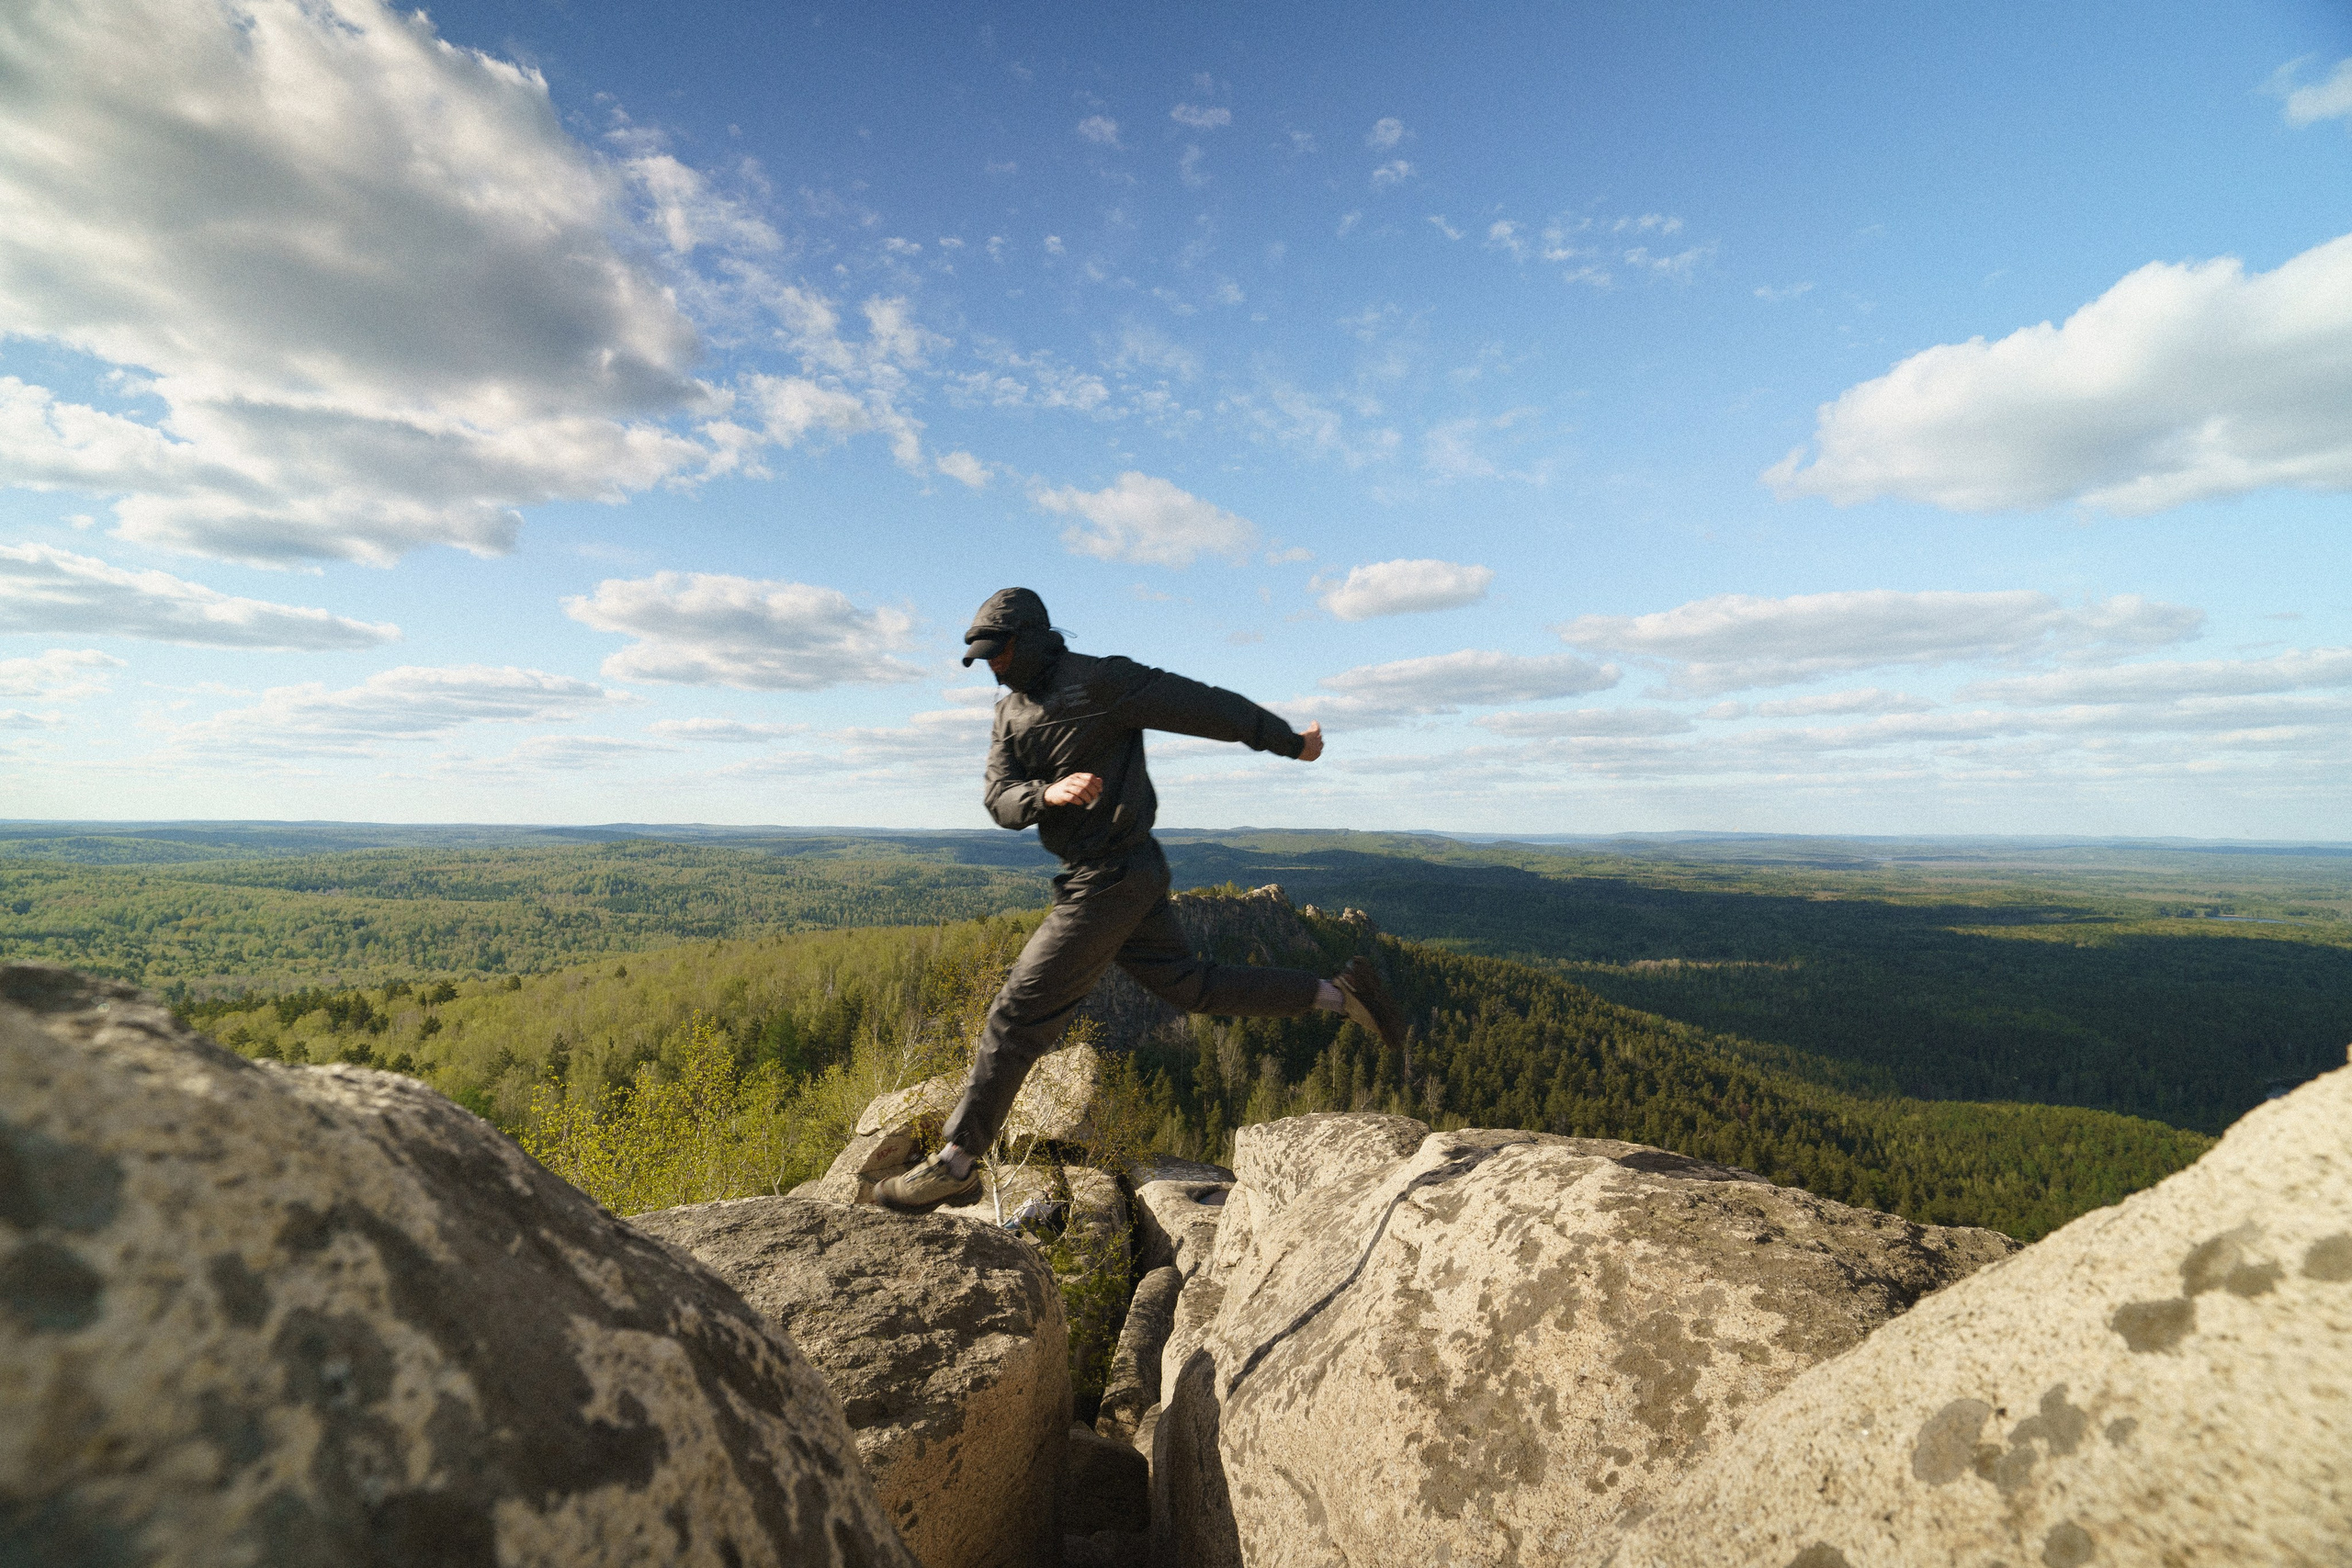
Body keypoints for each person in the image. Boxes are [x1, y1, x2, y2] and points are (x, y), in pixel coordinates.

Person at [876, 585, 1407, 1213]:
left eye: (1000, 651)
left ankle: (957, 1163)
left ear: (1032, 638)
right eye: (983, 657)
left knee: (1016, 1015)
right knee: (1192, 986)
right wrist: (1045, 794)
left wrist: (1291, 742)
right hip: (1108, 875)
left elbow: (1204, 706)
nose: (993, 665)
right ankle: (1337, 994)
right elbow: (999, 797)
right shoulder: (1008, 714)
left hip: (1112, 875)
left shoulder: (1102, 682)